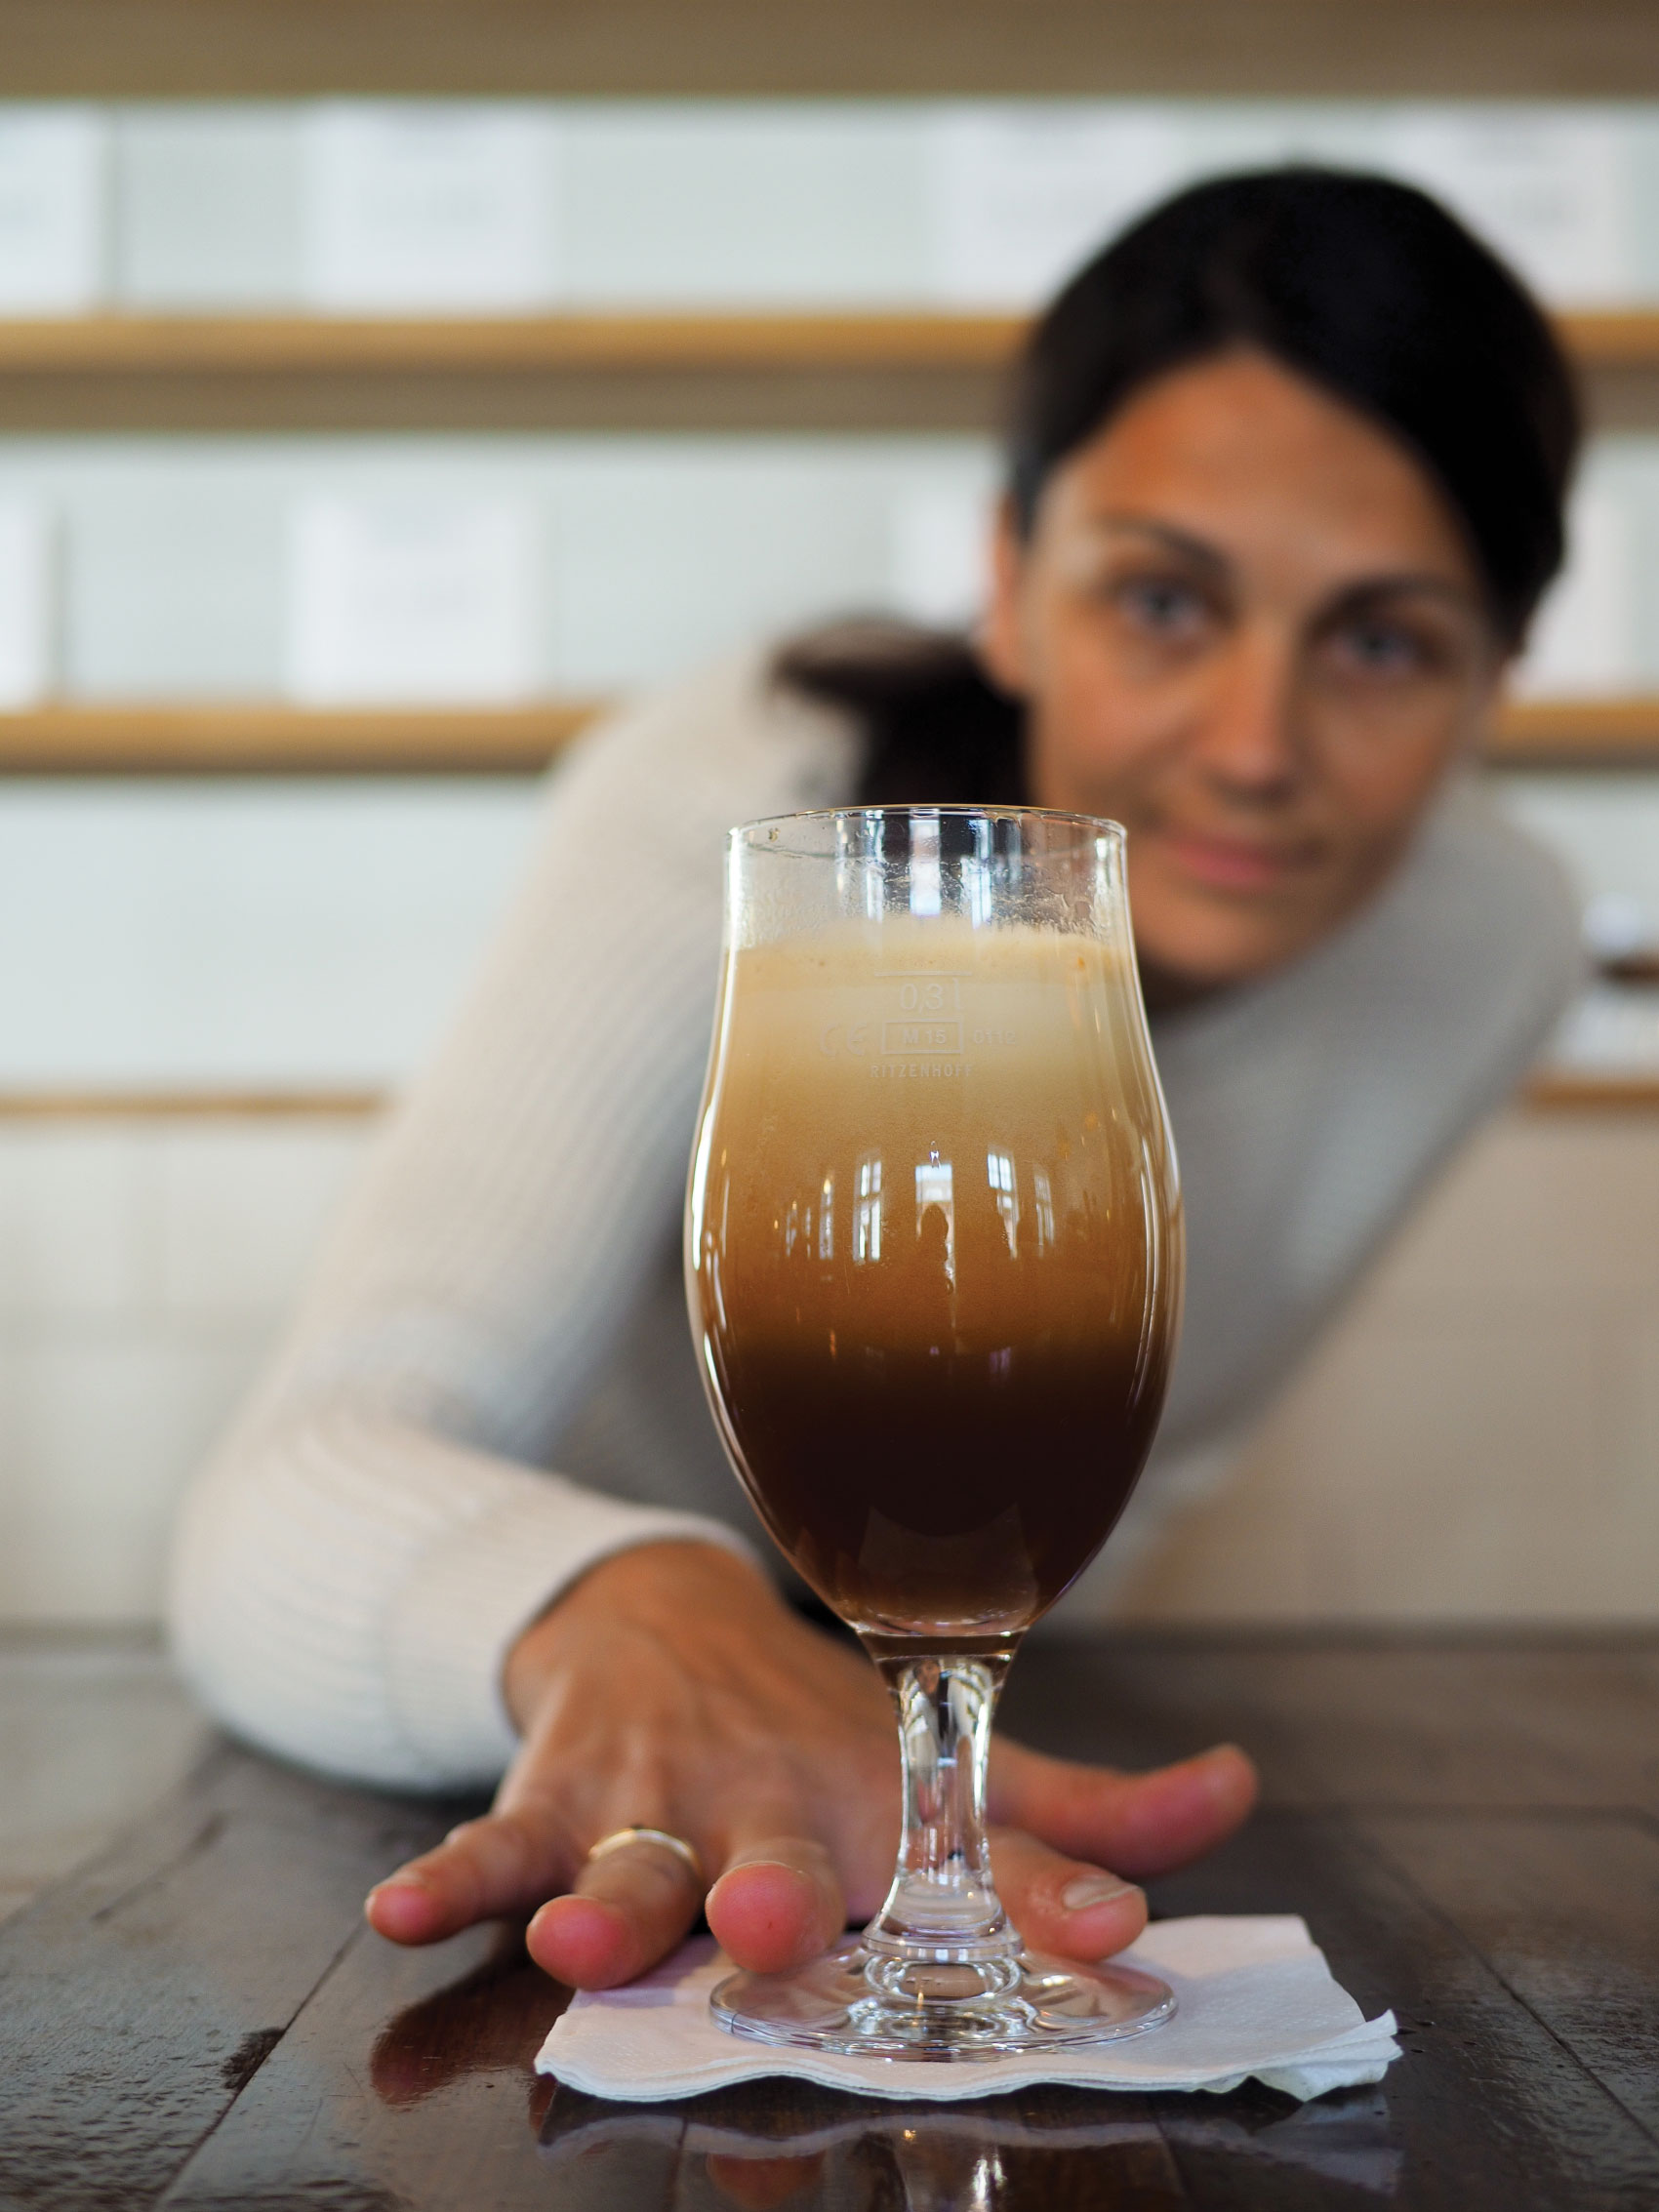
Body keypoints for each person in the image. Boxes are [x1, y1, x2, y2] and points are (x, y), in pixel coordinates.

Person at [169, 168, 1584, 1996]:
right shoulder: (749, 807)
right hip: (513, 1711)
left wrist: (917, 1769)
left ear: (1498, 680)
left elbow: (1125, 1464)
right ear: (1007, 582)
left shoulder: (1490, 945)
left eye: (1383, 642)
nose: (1254, 746)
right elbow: (296, 1487)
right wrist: (620, 1606)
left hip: (914, 1780)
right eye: (1164, 600)